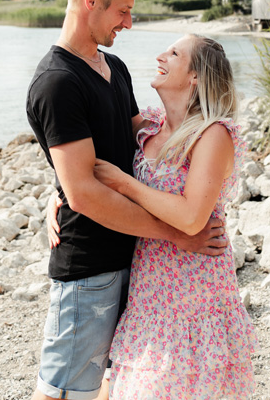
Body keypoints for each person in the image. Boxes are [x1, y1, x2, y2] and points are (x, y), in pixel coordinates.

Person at [26, 0, 227, 400]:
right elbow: (84, 192)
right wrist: (178, 236)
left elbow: (136, 141)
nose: (129, 23)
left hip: (136, 263)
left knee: (116, 384)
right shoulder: (57, 82)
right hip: (89, 267)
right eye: (123, 11)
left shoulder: (113, 68)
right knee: (62, 391)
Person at [93, 34, 257, 400]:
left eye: (173, 53)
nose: (160, 56)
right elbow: (89, 159)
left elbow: (192, 217)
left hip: (194, 295)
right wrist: (61, 199)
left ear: (196, 76)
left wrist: (126, 184)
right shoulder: (149, 127)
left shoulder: (212, 134)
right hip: (149, 293)